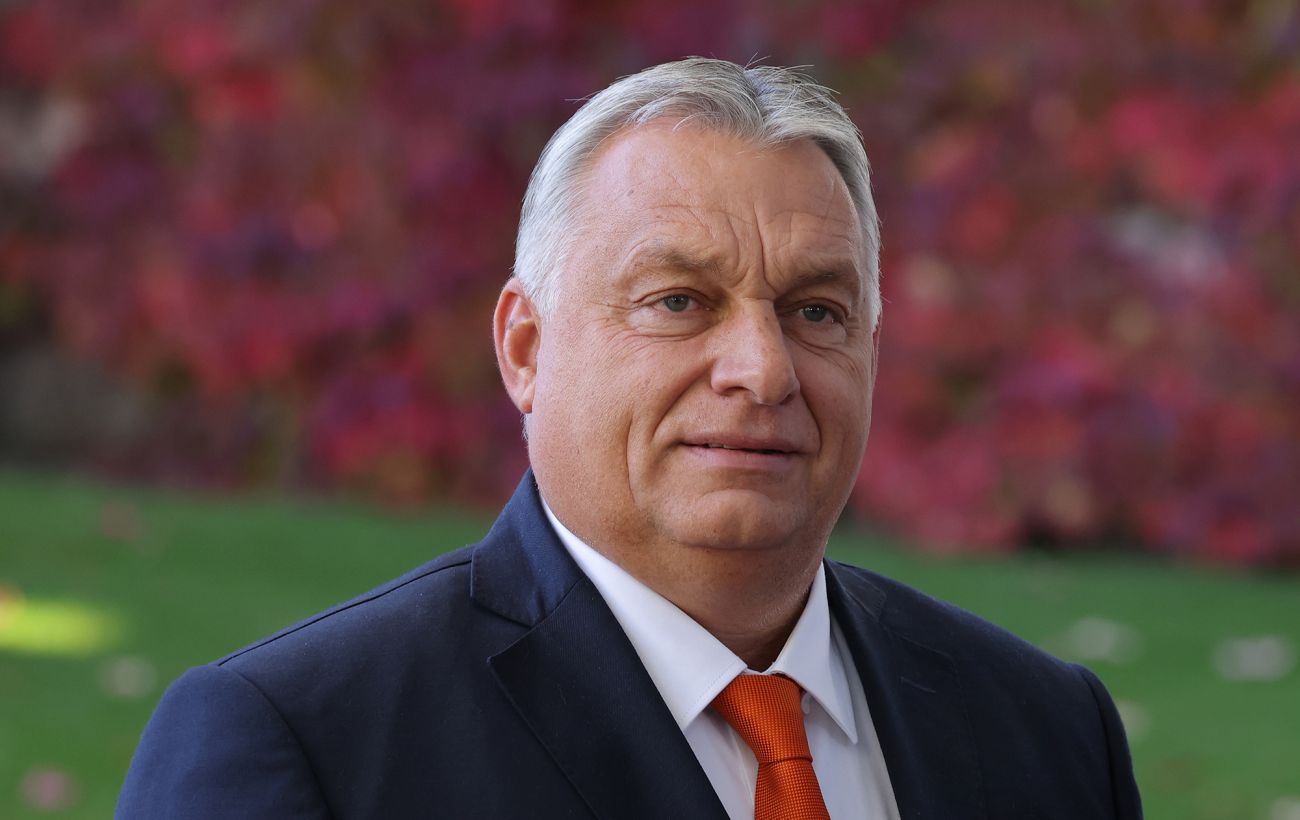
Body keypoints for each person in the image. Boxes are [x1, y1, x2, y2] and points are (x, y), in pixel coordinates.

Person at [117, 58, 1143, 819]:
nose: (763, 369)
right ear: (526, 348)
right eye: (679, 301)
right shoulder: (305, 743)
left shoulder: (1048, 732)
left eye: (816, 311)